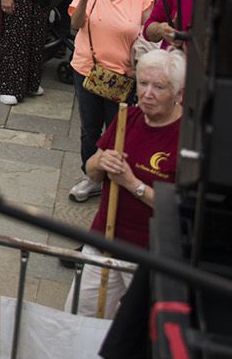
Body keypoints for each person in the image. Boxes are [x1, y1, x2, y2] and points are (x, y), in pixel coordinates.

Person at [68, 48, 184, 318]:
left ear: (179, 94)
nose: (147, 93)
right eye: (143, 84)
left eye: (159, 87)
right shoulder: (128, 118)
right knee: (79, 315)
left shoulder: (185, 139)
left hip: (148, 255)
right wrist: (101, 163)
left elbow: (178, 207)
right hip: (105, 238)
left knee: (137, 332)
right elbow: (92, 171)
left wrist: (133, 183)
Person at [67, 0, 153, 202]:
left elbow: (149, 36)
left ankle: (115, 176)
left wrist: (139, 68)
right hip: (87, 70)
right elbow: (76, 25)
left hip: (123, 76)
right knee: (90, 128)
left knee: (118, 130)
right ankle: (91, 176)